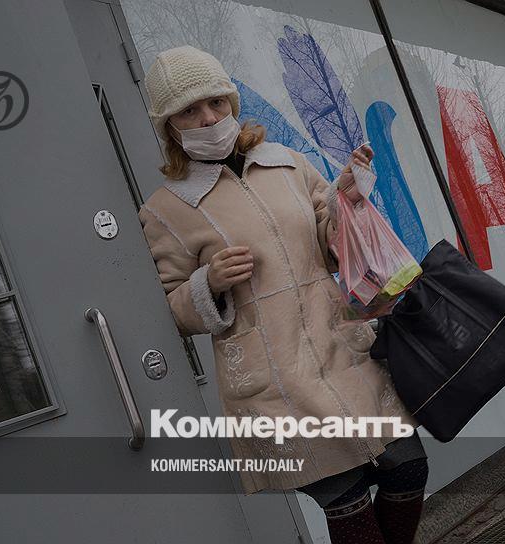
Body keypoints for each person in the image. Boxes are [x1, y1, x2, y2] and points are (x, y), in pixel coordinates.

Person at [139, 45, 428, 544]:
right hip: (274, 384)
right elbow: (172, 309)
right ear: (169, 127)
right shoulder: (165, 210)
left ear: (231, 102)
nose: (208, 118)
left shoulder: (290, 165)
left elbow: (333, 248)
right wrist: (207, 284)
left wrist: (345, 201)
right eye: (189, 110)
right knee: (348, 502)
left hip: (342, 352)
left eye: (216, 102)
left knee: (408, 469)